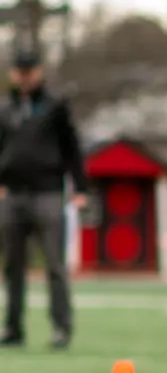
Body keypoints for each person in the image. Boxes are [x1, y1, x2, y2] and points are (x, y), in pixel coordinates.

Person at [0, 50, 88, 351]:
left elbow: (72, 147)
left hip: (48, 193)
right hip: (13, 194)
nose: (24, 76)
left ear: (38, 72)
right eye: (20, 70)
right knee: (12, 266)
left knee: (54, 265)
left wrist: (80, 187)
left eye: (29, 70)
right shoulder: (5, 108)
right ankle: (13, 328)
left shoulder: (55, 107)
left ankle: (61, 328)